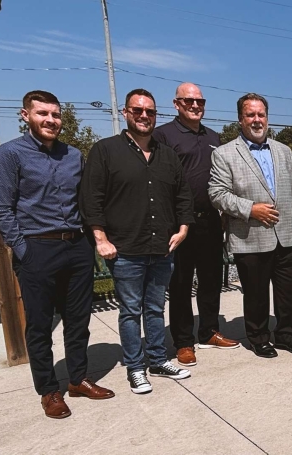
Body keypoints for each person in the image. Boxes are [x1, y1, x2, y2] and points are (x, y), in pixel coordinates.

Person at [0, 90, 114, 419]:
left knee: (78, 322)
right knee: (40, 325)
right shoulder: (9, 155)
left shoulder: (73, 155)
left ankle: (78, 379)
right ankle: (49, 390)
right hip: (37, 248)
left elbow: (85, 202)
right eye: (42, 113)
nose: (51, 120)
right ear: (25, 115)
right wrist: (23, 248)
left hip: (76, 247)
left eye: (55, 115)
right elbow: (0, 208)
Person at [81, 88, 195, 393]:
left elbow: (183, 195)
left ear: (156, 115)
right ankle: (135, 367)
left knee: (155, 309)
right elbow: (91, 198)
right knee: (130, 311)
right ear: (126, 113)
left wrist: (183, 228)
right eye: (137, 110)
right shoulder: (105, 151)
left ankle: (158, 360)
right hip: (126, 249)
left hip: (162, 248)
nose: (144, 116)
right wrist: (100, 238)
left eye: (150, 111)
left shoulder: (167, 154)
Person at [208, 93, 292, 358]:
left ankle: (286, 334)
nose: (256, 120)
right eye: (250, 115)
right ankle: (259, 337)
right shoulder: (224, 154)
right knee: (256, 294)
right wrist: (250, 208)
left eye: (261, 114)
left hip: (285, 235)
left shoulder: (284, 151)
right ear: (241, 119)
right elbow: (217, 194)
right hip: (249, 236)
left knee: (288, 292)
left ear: (267, 117)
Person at [152, 83, 240, 367]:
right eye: (188, 101)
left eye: (199, 101)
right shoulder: (162, 135)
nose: (195, 105)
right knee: (180, 285)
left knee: (212, 280)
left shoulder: (213, 136)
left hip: (210, 220)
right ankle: (183, 342)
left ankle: (209, 330)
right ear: (176, 104)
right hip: (179, 224)